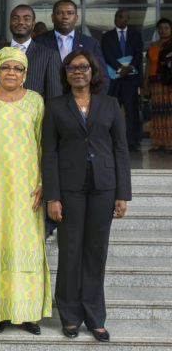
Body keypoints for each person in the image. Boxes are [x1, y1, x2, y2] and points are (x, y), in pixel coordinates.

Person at [43, 49, 131, 342]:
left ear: (93, 72)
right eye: (71, 68)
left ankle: (95, 317)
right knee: (70, 250)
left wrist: (123, 193)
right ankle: (69, 315)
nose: (77, 71)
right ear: (65, 75)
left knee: (96, 251)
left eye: (83, 67)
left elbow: (121, 148)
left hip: (104, 186)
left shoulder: (110, 104)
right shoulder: (55, 106)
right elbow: (50, 153)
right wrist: (52, 196)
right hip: (69, 187)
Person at [0, 47, 51, 334]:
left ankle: (26, 312)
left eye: (17, 68)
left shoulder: (36, 102)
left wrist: (44, 182)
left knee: (24, 246)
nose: (11, 73)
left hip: (27, 188)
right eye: (6, 68)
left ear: (25, 73)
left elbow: (44, 145)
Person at [0, 5, 62, 100]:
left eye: (26, 19)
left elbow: (54, 97)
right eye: (15, 18)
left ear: (33, 24)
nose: (20, 22)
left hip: (35, 114)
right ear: (10, 23)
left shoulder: (49, 55)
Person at [33, 0, 110, 92]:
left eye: (70, 13)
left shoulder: (91, 43)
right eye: (60, 13)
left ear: (76, 18)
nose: (65, 17)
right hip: (48, 102)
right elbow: (33, 76)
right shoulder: (38, 42)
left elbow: (102, 77)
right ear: (52, 17)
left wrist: (93, 102)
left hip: (82, 101)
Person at [101, 9, 143, 151]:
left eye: (125, 17)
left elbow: (139, 54)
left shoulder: (136, 35)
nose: (121, 19)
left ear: (128, 19)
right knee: (112, 111)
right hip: (114, 79)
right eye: (119, 17)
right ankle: (110, 140)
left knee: (132, 110)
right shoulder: (107, 36)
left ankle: (132, 142)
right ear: (115, 19)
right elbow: (106, 54)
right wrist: (120, 69)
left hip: (130, 79)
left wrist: (129, 68)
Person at [143, 18, 172, 152]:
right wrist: (145, 85)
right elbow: (148, 67)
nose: (163, 30)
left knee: (169, 113)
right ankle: (158, 142)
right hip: (155, 82)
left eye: (166, 27)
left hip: (169, 82)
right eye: (160, 28)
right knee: (157, 113)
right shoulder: (152, 46)